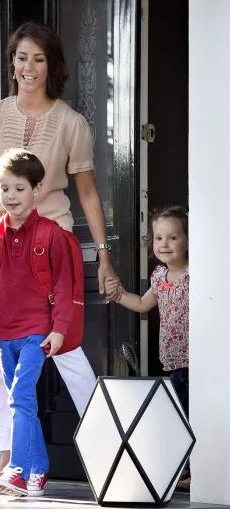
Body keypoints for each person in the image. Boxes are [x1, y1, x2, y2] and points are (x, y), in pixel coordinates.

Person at [0, 20, 119, 489]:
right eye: (21, 57)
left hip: (50, 240)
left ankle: (113, 451)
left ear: (51, 65)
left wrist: (104, 256)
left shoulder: (72, 123)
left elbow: (88, 193)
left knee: (66, 347)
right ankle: (11, 457)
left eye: (38, 58)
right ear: (11, 62)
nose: (28, 67)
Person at [0, 148, 78, 497]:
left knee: (20, 396)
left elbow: (64, 285)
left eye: (19, 188)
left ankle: (16, 471)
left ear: (37, 189)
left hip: (37, 332)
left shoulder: (51, 234)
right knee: (22, 401)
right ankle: (39, 469)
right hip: (3, 333)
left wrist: (59, 328)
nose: (10, 196)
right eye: (4, 189)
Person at [105, 205, 190, 489]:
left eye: (173, 237)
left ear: (188, 240)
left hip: (198, 361)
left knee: (194, 415)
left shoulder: (195, 274)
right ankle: (186, 471)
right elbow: (142, 304)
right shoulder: (159, 277)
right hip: (173, 362)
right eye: (159, 238)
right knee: (180, 417)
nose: (164, 244)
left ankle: (198, 472)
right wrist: (118, 295)